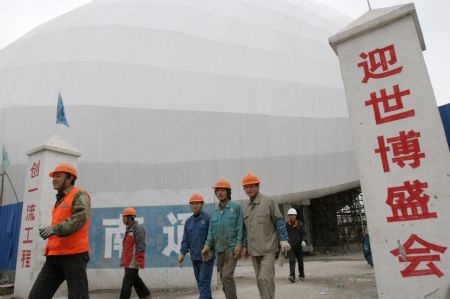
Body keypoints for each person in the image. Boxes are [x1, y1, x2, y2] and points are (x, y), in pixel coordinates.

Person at [29, 163, 91, 299]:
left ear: (70, 178)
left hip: (74, 255)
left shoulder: (79, 194)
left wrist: (54, 229)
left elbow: (80, 217)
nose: (54, 179)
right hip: (54, 257)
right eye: (53, 177)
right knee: (37, 296)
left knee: (78, 296)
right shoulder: (60, 199)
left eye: (58, 176)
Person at [241, 172, 290, 299]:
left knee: (265, 278)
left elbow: (279, 221)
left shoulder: (269, 201)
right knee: (259, 281)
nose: (249, 189)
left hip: (268, 249)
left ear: (258, 186)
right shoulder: (244, 205)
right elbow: (245, 228)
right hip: (254, 250)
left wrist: (284, 239)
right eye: (246, 187)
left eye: (252, 186)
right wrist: (244, 246)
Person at [202, 179, 244, 299]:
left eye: (222, 190)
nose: (220, 192)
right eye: (217, 190)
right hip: (219, 249)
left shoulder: (236, 207)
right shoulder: (214, 211)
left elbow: (240, 227)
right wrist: (207, 246)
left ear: (228, 192)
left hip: (232, 249)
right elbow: (211, 231)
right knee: (223, 278)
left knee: (227, 276)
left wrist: (239, 244)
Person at [178, 193, 214, 299]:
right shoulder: (188, 222)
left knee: (203, 282)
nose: (195, 205)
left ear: (202, 204)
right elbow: (185, 239)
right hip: (195, 257)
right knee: (202, 284)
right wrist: (182, 254)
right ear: (190, 205)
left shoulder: (207, 219)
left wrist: (209, 249)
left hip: (206, 258)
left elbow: (212, 237)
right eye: (193, 203)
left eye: (197, 203)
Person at [120, 207, 151, 299]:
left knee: (127, 283)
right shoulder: (129, 229)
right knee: (135, 280)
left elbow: (141, 245)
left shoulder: (138, 229)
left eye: (124, 217)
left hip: (133, 261)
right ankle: (146, 296)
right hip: (128, 261)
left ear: (130, 218)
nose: (123, 219)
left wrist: (139, 259)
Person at [285, 208, 306, 283]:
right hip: (290, 247)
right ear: (288, 216)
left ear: (296, 215)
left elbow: (304, 233)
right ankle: (292, 276)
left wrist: (303, 240)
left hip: (298, 246)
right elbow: (284, 235)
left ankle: (301, 275)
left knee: (300, 261)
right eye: (290, 215)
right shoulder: (286, 225)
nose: (291, 216)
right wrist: (284, 243)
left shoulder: (300, 224)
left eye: (293, 215)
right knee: (292, 260)